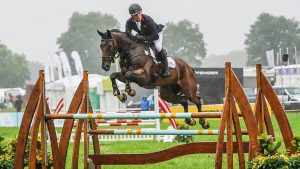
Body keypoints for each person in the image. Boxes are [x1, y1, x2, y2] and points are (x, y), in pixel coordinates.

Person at [125, 3, 170, 77]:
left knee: (158, 47)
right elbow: (128, 33)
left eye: (139, 13)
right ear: (132, 16)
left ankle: (166, 68)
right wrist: (134, 37)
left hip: (157, 33)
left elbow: (155, 36)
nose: (138, 16)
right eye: (136, 15)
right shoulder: (129, 22)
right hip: (145, 35)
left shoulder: (148, 20)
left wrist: (144, 38)